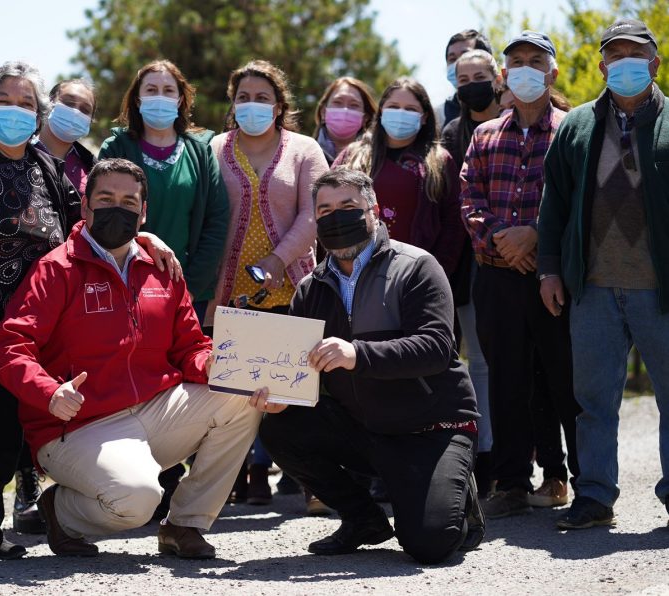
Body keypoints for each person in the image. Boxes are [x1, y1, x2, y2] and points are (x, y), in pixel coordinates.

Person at [0, 61, 179, 565]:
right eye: (7, 100)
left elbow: (87, 225)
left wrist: (145, 234)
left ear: (37, 113)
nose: (16, 110)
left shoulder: (45, 168)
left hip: (18, 336)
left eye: (26, 103)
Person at [0, 158, 262, 560]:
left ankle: (184, 525)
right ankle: (60, 511)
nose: (118, 208)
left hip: (154, 410)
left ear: (143, 211)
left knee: (241, 395)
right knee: (138, 500)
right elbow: (9, 347)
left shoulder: (163, 268)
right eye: (106, 198)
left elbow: (190, 347)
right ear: (85, 207)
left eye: (129, 201)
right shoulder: (57, 269)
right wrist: (49, 392)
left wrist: (217, 368)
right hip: (77, 424)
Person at [259, 167, 482, 564]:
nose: (336, 217)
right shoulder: (310, 288)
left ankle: (460, 493)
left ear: (374, 210)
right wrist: (279, 395)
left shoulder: (417, 267)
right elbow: (297, 369)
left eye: (348, 206)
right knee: (281, 426)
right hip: (366, 429)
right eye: (325, 210)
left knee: (430, 545)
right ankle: (363, 519)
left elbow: (435, 347)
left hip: (431, 429)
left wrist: (357, 354)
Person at [538, 19, 669, 529]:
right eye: (614, 55)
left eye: (635, 54)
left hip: (661, 291)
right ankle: (593, 496)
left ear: (655, 63)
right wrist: (549, 270)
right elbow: (554, 207)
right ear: (601, 66)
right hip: (591, 287)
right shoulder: (576, 126)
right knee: (592, 401)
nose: (624, 63)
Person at [460, 31, 580, 518]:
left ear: (552, 73)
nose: (526, 69)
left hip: (554, 275)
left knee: (562, 379)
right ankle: (511, 483)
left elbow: (581, 206)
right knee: (506, 381)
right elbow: (470, 201)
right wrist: (506, 243)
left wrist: (535, 237)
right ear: (504, 76)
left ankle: (568, 479)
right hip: (497, 277)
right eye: (517, 62)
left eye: (537, 61)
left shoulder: (574, 131)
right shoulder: (484, 136)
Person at [208, 59, 328, 507]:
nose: (252, 105)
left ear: (279, 106)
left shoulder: (304, 150)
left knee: (292, 386)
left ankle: (316, 483)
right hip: (229, 290)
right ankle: (227, 484)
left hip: (290, 283)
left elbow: (314, 213)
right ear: (232, 103)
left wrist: (278, 260)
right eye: (244, 98)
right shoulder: (214, 149)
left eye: (262, 98)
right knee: (233, 389)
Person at [9, 78, 98, 535]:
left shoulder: (89, 164)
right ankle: (19, 489)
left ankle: (45, 490)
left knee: (53, 387)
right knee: (13, 386)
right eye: (68, 102)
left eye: (85, 108)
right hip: (9, 287)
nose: (75, 112)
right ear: (49, 105)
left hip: (66, 294)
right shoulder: (16, 147)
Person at [97, 60, 228, 325]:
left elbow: (217, 221)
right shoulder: (115, 148)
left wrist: (188, 288)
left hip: (188, 292)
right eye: (151, 90)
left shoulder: (201, 152)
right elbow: (100, 213)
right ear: (137, 99)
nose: (160, 97)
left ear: (180, 100)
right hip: (123, 285)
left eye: (168, 91)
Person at [440, 49, 503, 496]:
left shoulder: (514, 120)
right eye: (465, 77)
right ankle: (476, 458)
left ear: (497, 76)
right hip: (460, 263)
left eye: (481, 75)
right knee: (467, 361)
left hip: (504, 258)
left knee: (490, 363)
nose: (474, 83)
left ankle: (501, 457)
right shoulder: (451, 132)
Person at [338, 77, 465, 278]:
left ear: (424, 117)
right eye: (394, 106)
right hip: (354, 273)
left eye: (411, 109)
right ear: (381, 112)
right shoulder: (352, 155)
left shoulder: (440, 161)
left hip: (414, 276)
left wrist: (436, 273)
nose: (401, 113)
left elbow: (454, 223)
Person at [435, 29, 494, 131]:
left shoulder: (508, 106)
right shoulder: (440, 115)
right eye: (452, 59)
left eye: (465, 55)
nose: (458, 63)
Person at [313, 77, 377, 165]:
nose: (345, 110)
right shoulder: (302, 153)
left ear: (365, 118)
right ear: (323, 112)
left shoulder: (375, 161)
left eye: (354, 105)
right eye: (337, 102)